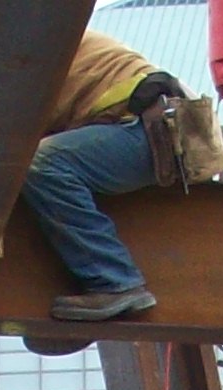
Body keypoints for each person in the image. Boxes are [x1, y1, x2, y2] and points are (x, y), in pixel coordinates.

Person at [19, 29, 179, 325]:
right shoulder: (34, 43)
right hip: (146, 126)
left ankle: (115, 282)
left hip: (153, 129)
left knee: (42, 162)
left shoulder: (24, 52)